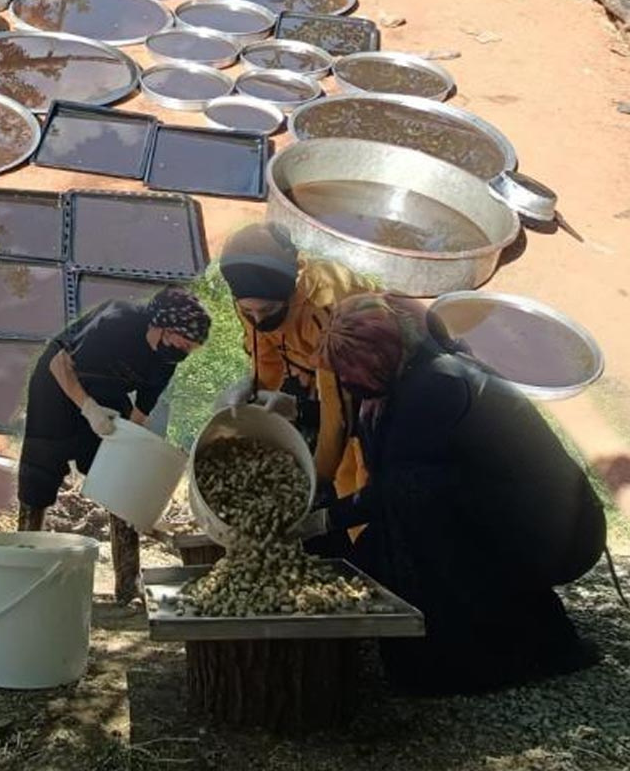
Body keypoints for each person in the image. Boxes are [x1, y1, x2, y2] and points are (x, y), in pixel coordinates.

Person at [304, 293, 606, 693]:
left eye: (352, 372)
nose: (347, 383)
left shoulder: (437, 385)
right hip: (502, 512)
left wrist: (322, 521)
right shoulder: (410, 372)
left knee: (419, 515)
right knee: (402, 526)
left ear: (382, 357)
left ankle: (506, 653)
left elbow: (399, 491)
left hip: (554, 532)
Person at [18, 286, 210, 604]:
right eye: (184, 342)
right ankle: (22, 565)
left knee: (122, 484)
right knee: (40, 471)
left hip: (107, 395)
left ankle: (128, 586)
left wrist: (127, 455)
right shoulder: (117, 320)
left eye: (191, 348)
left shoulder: (166, 361)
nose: (185, 351)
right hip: (57, 385)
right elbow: (59, 364)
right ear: (162, 326)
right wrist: (88, 409)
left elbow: (139, 414)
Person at [217, 223, 377, 504]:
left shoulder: (327, 305)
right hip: (311, 368)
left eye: (267, 310)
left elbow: (339, 410)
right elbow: (265, 353)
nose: (257, 319)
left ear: (289, 292)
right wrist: (253, 387)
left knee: (360, 461)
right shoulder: (250, 304)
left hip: (367, 367)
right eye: (247, 311)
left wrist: (320, 479)